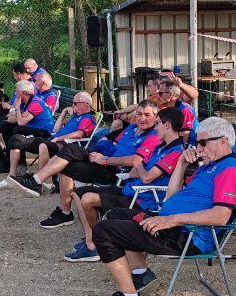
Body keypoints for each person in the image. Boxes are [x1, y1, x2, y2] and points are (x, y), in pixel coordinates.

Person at [90, 117, 236, 296]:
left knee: (103, 230)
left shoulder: (230, 168)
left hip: (188, 235)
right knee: (118, 213)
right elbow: (170, 197)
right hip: (174, 225)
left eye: (203, 142)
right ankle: (141, 274)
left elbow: (221, 216)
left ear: (223, 141)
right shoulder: (209, 166)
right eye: (197, 142)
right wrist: (181, 162)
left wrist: (172, 220)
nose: (198, 147)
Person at [7, 101, 161, 227]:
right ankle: (48, 194)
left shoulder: (153, 135)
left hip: (114, 170)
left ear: (155, 118)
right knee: (69, 151)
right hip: (104, 158)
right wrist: (103, 151)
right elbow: (112, 140)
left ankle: (46, 193)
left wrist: (105, 159)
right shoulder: (132, 127)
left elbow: (135, 160)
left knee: (66, 164)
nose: (141, 118)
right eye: (139, 114)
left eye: (147, 115)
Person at [63, 107, 184, 262]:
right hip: (130, 190)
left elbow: (146, 177)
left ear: (167, 125)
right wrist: (139, 165)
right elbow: (134, 172)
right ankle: (93, 240)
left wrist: (139, 164)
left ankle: (95, 245)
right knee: (79, 193)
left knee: (88, 199)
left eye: (157, 123)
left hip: (143, 199)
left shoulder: (175, 151)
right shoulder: (161, 147)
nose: (155, 126)